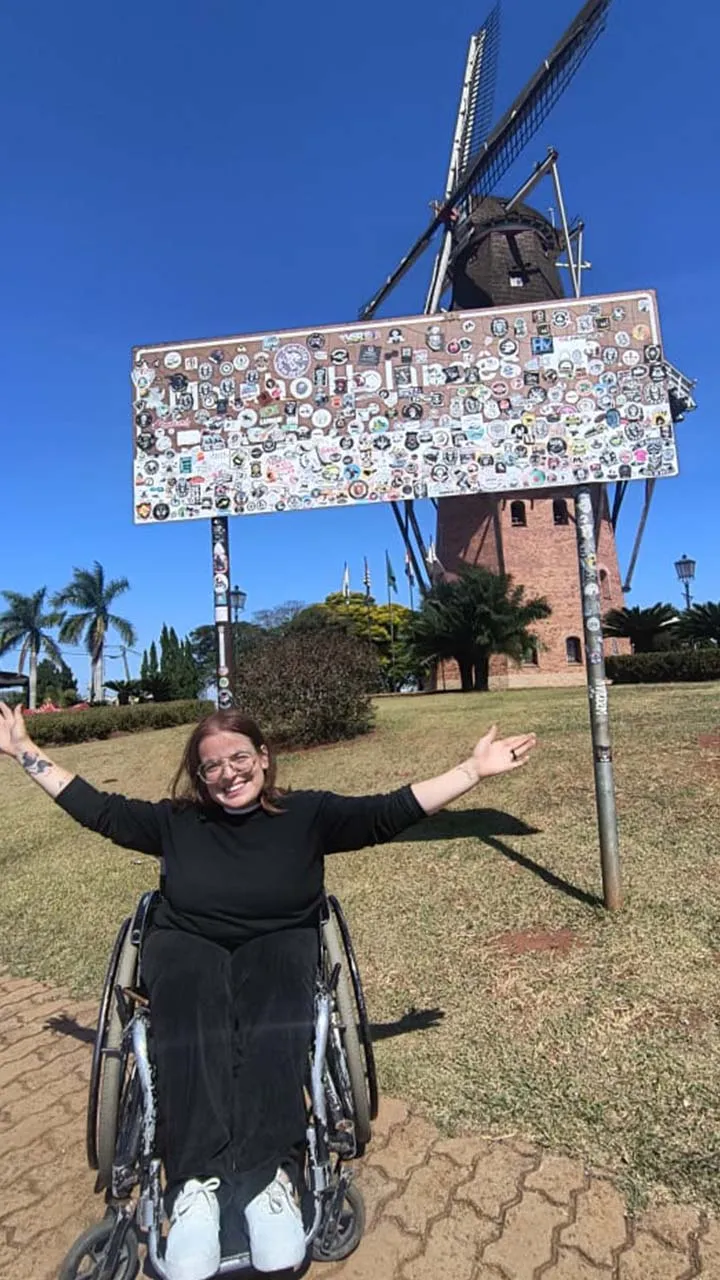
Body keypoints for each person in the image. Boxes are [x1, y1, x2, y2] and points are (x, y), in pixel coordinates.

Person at [0, 702, 536, 1280]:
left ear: (263, 757)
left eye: (238, 758)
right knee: (190, 996)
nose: (228, 774)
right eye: (212, 766)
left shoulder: (309, 814)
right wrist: (25, 752)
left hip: (279, 939)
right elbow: (98, 810)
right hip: (188, 941)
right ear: (199, 775)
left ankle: (268, 1179)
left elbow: (388, 812)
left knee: (277, 1003)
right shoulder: (176, 822)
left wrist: (472, 771)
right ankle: (194, 1186)